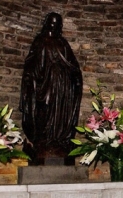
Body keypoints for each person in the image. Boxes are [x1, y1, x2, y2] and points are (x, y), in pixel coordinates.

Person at [20, 12, 83, 165]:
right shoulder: (40, 41)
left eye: (57, 24)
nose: (54, 26)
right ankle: (44, 141)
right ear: (47, 23)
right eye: (51, 23)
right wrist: (30, 78)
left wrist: (76, 77)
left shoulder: (63, 43)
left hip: (62, 85)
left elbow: (72, 63)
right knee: (44, 110)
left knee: (61, 113)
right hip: (44, 84)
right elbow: (31, 62)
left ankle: (59, 140)